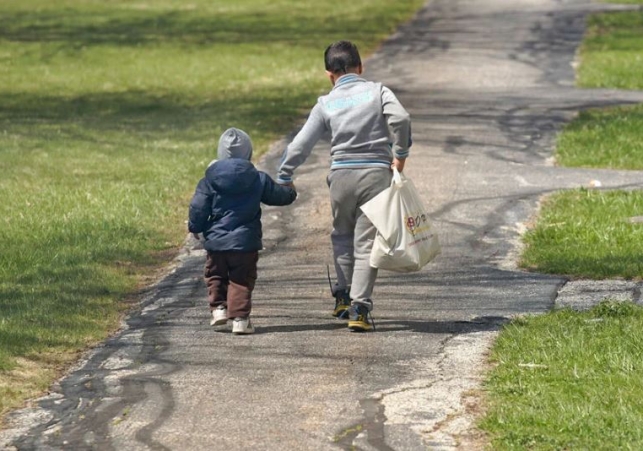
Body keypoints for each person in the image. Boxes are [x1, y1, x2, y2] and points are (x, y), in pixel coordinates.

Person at [276, 40, 412, 332]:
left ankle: (342, 295)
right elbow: (400, 118)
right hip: (376, 174)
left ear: (329, 74)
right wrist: (400, 155)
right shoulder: (378, 91)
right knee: (366, 243)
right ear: (360, 67)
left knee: (341, 235)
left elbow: (301, 144)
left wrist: (284, 174)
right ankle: (359, 308)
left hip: (341, 178)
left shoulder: (326, 103)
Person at [189, 128, 297, 335]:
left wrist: (195, 227)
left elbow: (198, 207)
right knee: (241, 279)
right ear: (248, 153)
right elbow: (278, 196)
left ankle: (219, 309)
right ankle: (240, 319)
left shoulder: (209, 180)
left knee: (215, 275)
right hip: (245, 242)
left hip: (216, 241)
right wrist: (290, 191)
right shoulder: (258, 178)